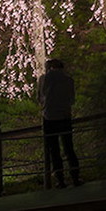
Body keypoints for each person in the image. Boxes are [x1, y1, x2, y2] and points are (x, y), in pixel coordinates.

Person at [36, 58, 81, 188]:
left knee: (54, 150)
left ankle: (60, 180)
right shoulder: (68, 80)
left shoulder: (43, 79)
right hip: (65, 117)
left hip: (49, 118)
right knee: (69, 148)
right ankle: (75, 177)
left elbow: (40, 98)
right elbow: (72, 100)